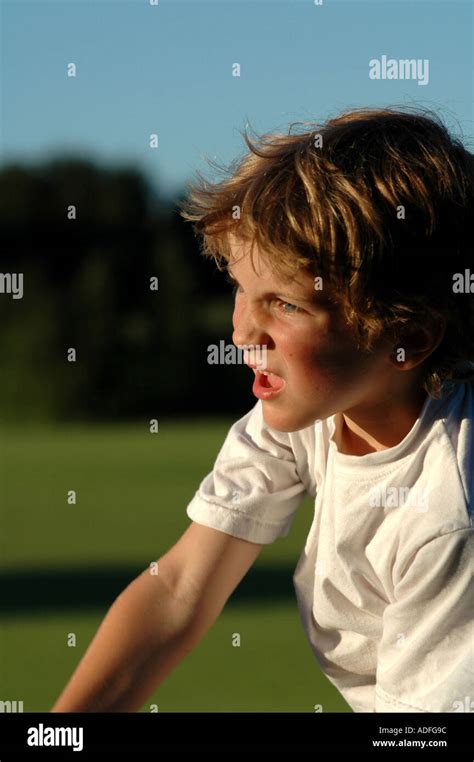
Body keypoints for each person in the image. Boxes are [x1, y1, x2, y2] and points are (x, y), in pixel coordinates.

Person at [52, 106, 474, 713]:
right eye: (241, 289)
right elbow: (178, 591)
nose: (244, 333)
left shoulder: (447, 517)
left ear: (409, 334)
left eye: (286, 305)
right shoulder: (315, 412)